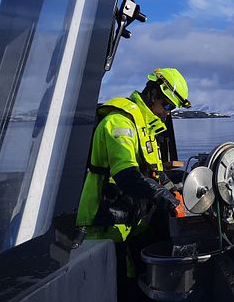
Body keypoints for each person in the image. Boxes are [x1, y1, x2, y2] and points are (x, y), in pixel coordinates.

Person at [76, 67, 192, 299]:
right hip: (104, 224)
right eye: (167, 106)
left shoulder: (145, 128)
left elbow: (154, 174)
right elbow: (127, 176)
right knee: (120, 288)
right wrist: (166, 199)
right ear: (152, 94)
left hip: (130, 221)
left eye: (172, 109)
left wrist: (174, 191)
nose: (168, 113)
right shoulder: (119, 123)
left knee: (138, 281)